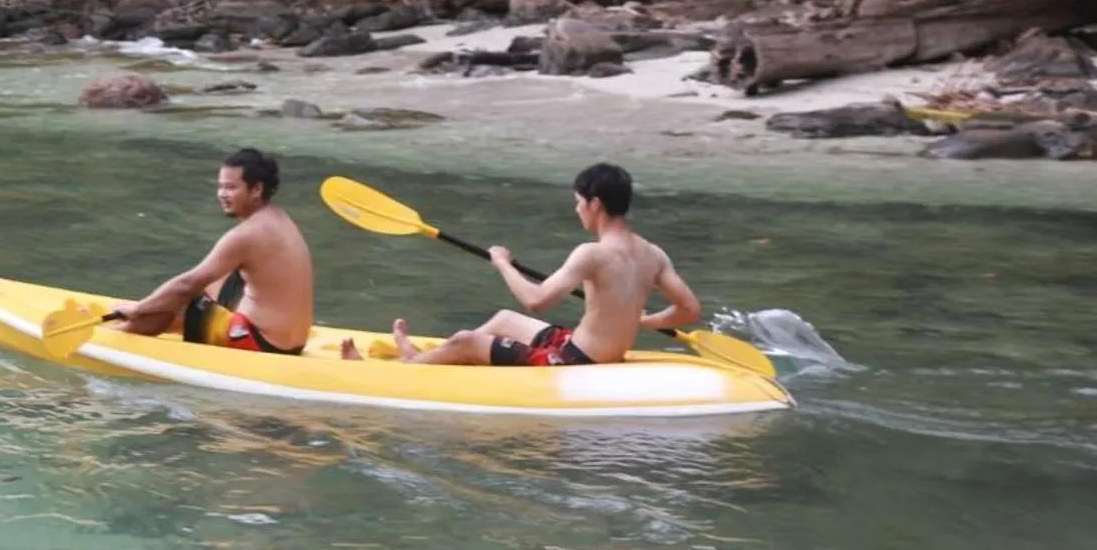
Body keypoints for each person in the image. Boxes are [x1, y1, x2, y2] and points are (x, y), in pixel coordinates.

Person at [343, 163, 698, 366]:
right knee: (503, 320)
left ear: (594, 204)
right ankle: (438, 358)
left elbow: (537, 301)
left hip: (572, 362)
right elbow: (688, 310)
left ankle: (411, 367)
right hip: (583, 345)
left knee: (468, 339)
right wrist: (643, 320)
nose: (576, 211)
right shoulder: (653, 254)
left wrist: (503, 264)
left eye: (578, 203)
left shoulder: (592, 254)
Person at [107, 148, 315, 356]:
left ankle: (113, 340)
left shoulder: (246, 235)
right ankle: (142, 322)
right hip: (292, 344)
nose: (222, 195)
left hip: (260, 344)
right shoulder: (278, 218)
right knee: (215, 281)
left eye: (231, 187)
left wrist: (140, 308)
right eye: (220, 187)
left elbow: (187, 285)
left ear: (256, 189)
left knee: (182, 300)